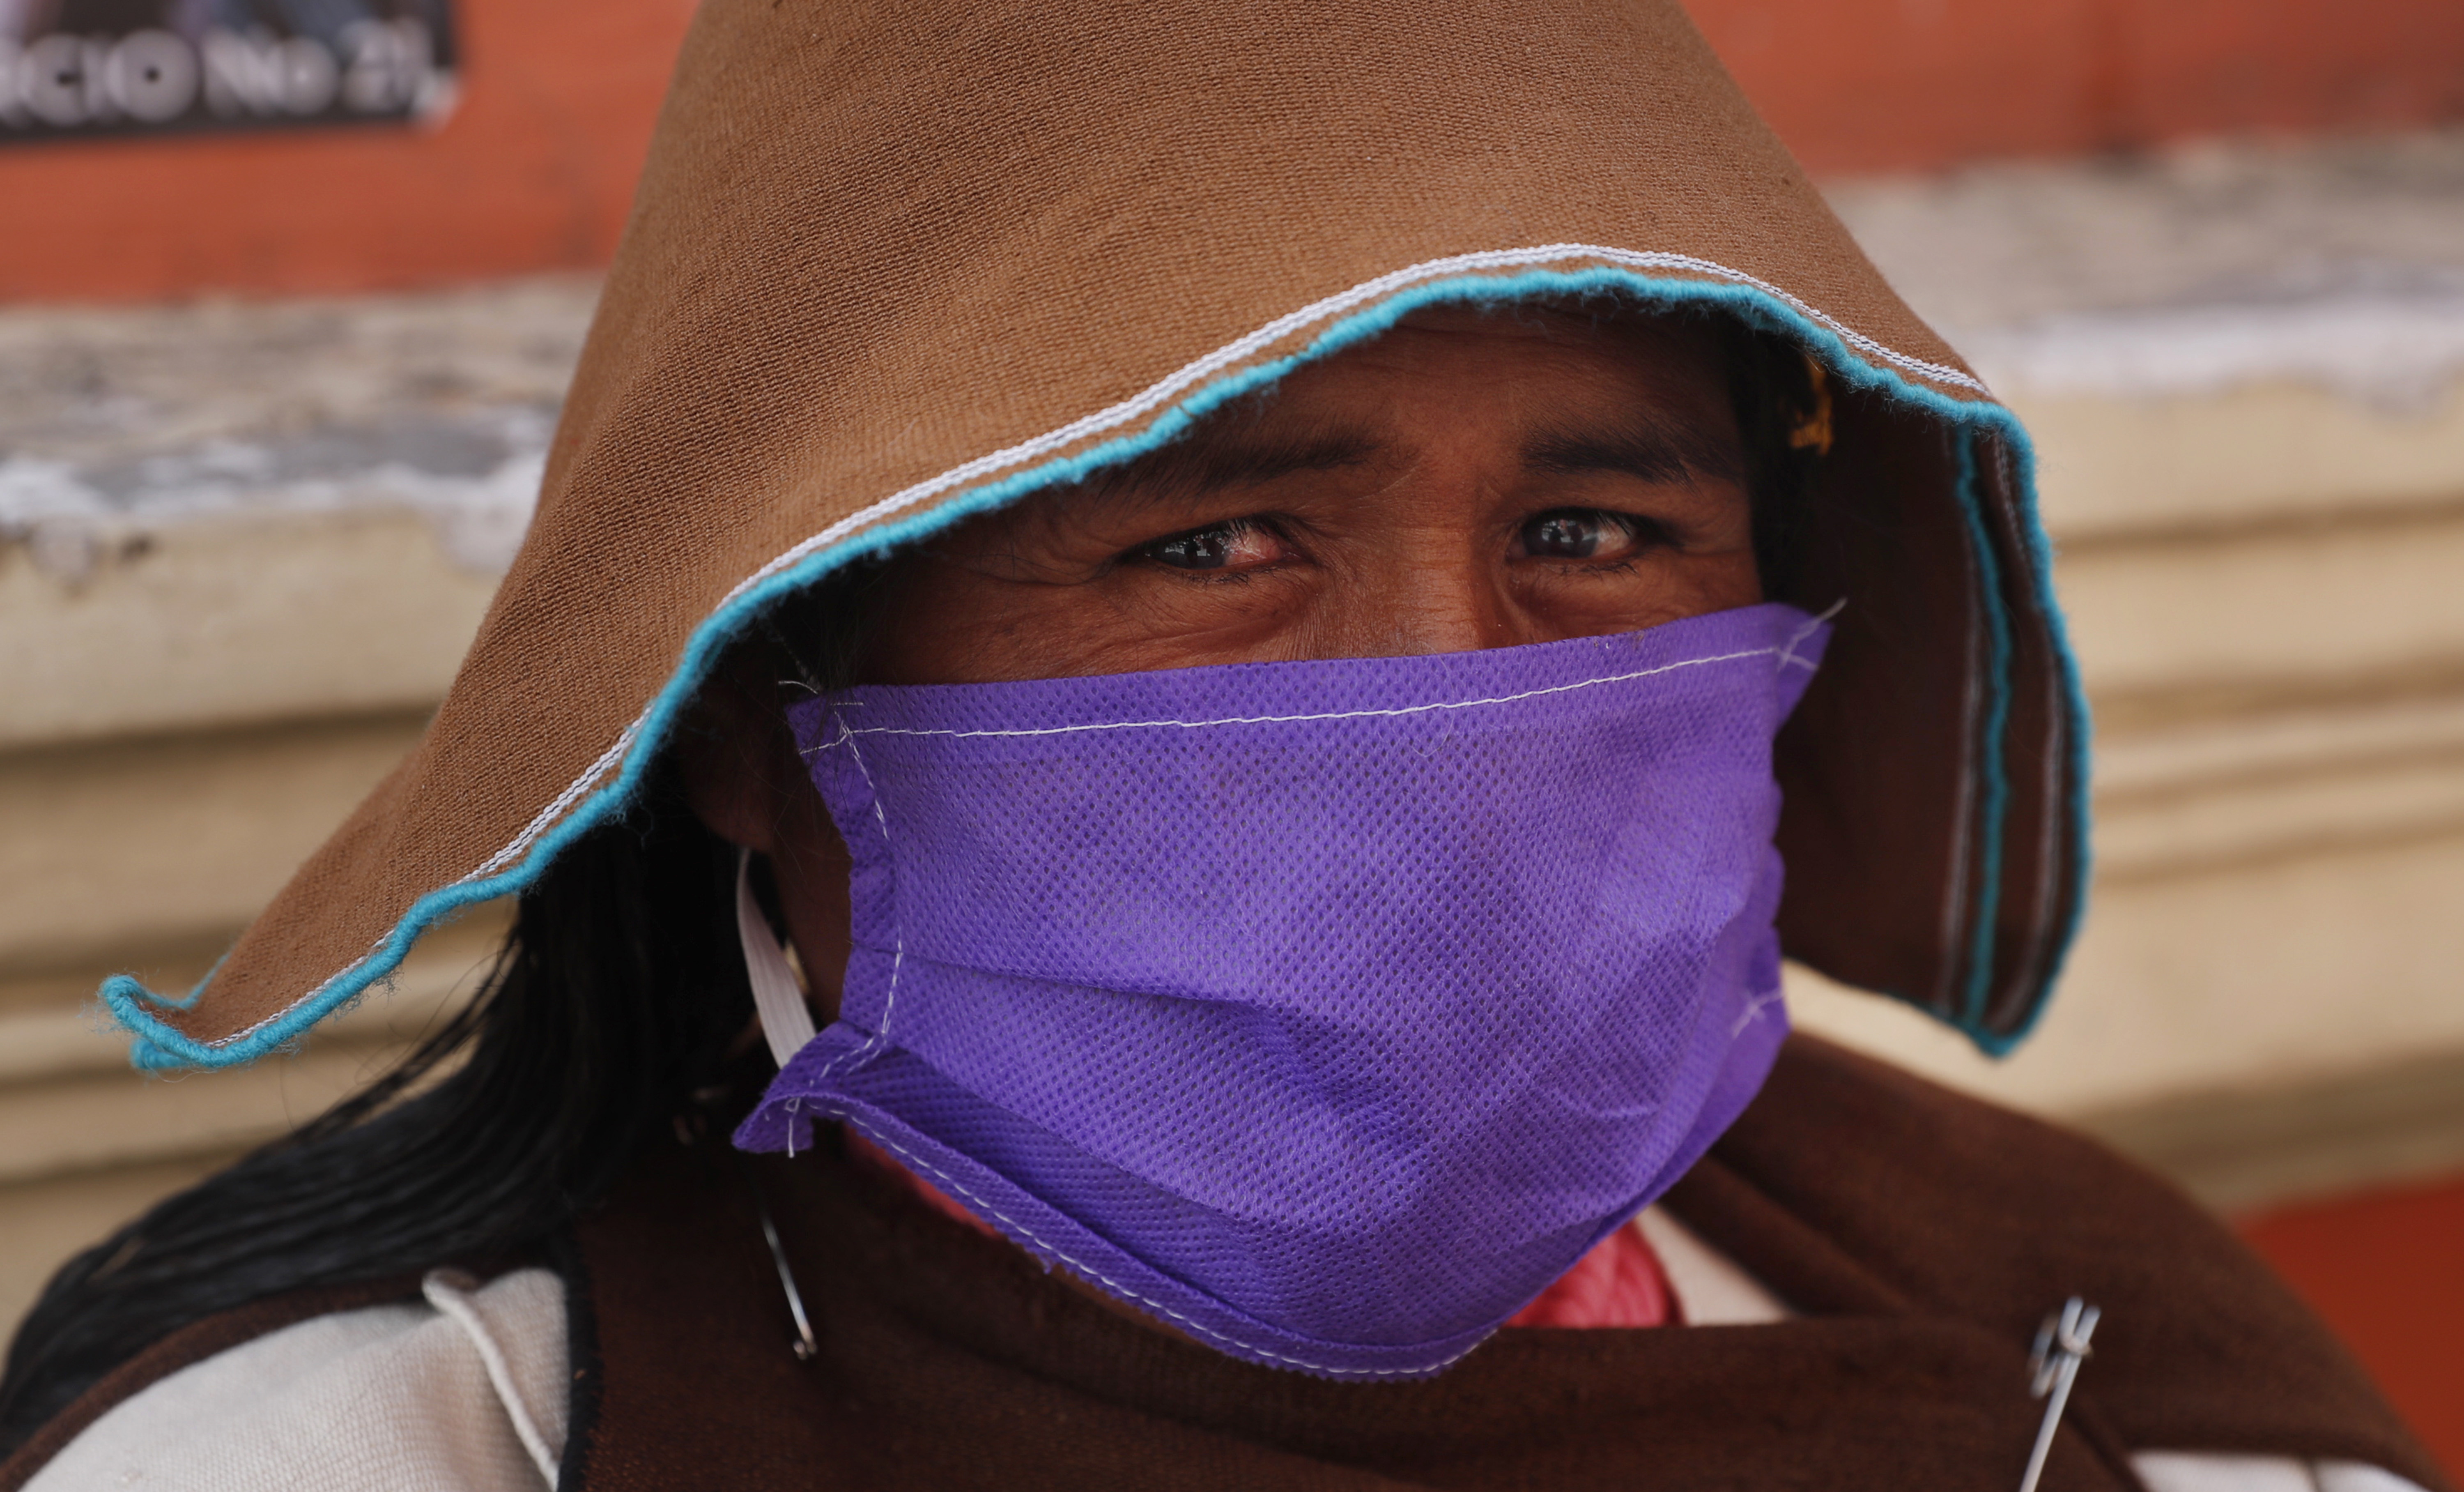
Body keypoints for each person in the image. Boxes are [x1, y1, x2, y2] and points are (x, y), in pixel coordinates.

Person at [0, 0, 2446, 1487]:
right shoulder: (386, 1464)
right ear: (755, 711)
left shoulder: (2107, 1373)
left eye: (1592, 530)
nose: (1448, 701)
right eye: (1213, 542)